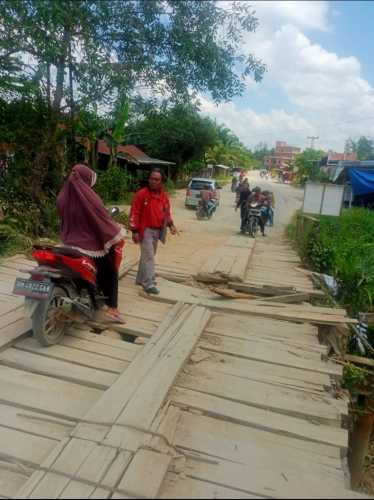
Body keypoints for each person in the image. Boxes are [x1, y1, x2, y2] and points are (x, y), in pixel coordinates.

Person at [57, 164, 126, 323]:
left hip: (66, 243)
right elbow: (103, 222)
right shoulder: (90, 199)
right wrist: (116, 231)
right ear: (87, 180)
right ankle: (112, 309)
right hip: (87, 246)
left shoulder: (62, 196)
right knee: (110, 271)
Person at [130, 168, 178, 294]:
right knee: (149, 256)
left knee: (147, 256)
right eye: (151, 178)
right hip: (144, 230)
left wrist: (171, 225)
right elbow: (134, 212)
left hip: (157, 231)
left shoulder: (164, 196)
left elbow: (166, 213)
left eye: (156, 179)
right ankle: (149, 283)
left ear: (162, 182)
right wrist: (134, 230)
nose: (153, 181)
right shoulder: (141, 194)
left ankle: (141, 279)